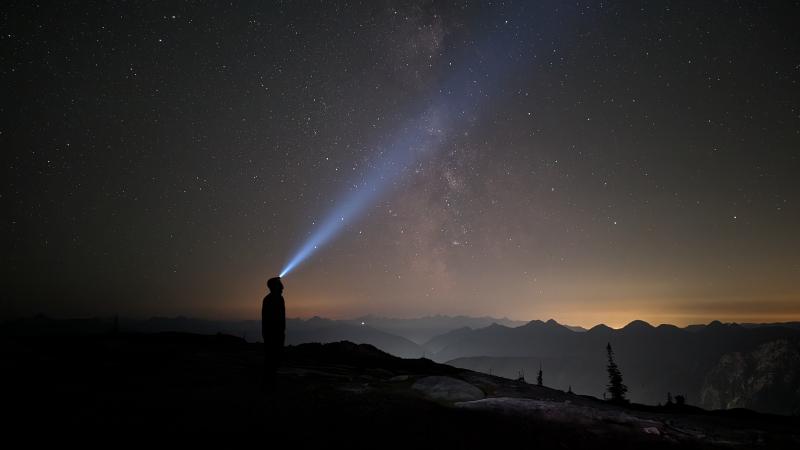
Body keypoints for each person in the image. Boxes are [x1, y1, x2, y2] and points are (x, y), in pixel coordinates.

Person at [262, 276, 286, 387]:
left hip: (275, 332)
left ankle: (270, 380)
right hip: (273, 333)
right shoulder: (272, 299)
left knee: (274, 356)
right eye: (279, 284)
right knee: (273, 357)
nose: (283, 287)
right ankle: (269, 382)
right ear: (274, 286)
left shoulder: (273, 299)